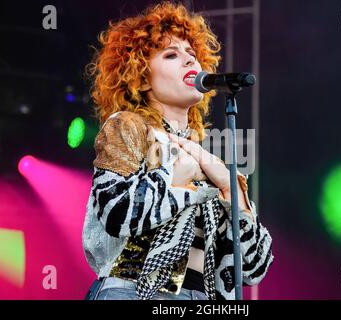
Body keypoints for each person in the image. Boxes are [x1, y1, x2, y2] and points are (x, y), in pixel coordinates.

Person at [82, 1, 274, 300]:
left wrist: (229, 188)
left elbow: (252, 268)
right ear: (142, 78)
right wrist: (176, 175)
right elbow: (116, 212)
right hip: (136, 291)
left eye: (193, 55)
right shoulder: (128, 126)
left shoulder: (208, 161)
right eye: (171, 55)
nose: (190, 62)